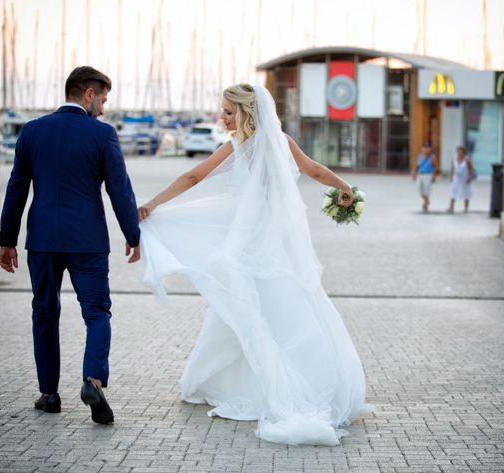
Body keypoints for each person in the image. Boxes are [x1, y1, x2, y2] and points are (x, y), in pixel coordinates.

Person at [138, 84, 370, 446]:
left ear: (247, 112)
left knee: (255, 312)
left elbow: (195, 176)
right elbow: (314, 171)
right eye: (222, 111)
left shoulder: (243, 148)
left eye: (228, 112)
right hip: (268, 246)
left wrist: (153, 202)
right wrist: (346, 188)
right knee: (259, 312)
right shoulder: (279, 143)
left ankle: (276, 389)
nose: (222, 117)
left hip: (251, 246)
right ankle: (254, 383)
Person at [0, 66, 141, 424]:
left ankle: (49, 394)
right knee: (97, 312)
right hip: (87, 241)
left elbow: (17, 188)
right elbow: (119, 189)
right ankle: (92, 380)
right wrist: (134, 235)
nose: (105, 108)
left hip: (42, 240)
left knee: (44, 312)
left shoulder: (31, 131)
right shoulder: (102, 134)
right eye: (104, 99)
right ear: (88, 94)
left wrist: (6, 240)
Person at [447, 146, 475, 213]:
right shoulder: (454, 158)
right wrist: (451, 176)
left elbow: (471, 170)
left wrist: (469, 178)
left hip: (464, 178)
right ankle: (451, 207)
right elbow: (452, 168)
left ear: (464, 152)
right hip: (456, 178)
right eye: (458, 151)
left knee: (466, 193)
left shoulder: (467, 160)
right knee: (453, 191)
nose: (459, 153)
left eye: (461, 151)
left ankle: (466, 207)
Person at [412, 142, 439, 212]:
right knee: (419, 189)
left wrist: (434, 176)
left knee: (427, 190)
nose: (426, 149)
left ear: (430, 149)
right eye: (424, 148)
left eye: (427, 148)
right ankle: (426, 200)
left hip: (428, 175)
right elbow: (417, 166)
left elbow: (436, 167)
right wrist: (414, 174)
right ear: (422, 149)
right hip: (420, 174)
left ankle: (425, 204)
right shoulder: (420, 156)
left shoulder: (432, 157)